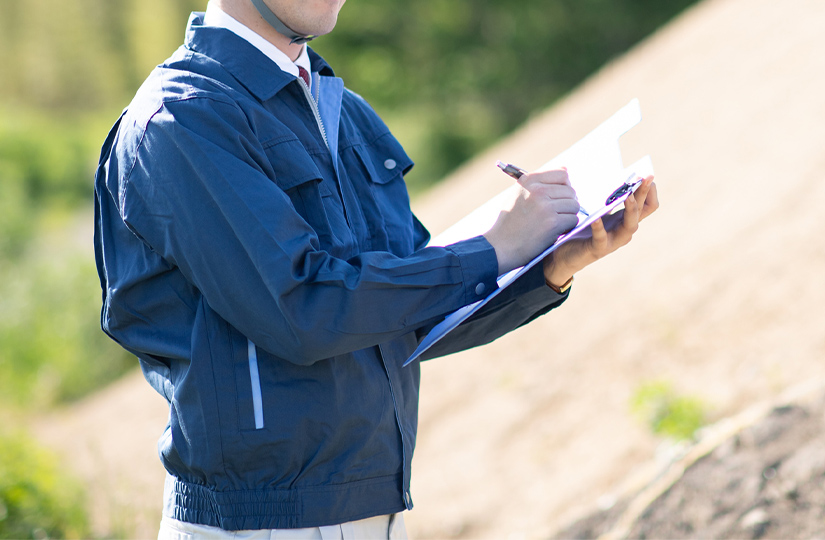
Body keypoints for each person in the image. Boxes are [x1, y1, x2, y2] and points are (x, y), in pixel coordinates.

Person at [93, 0, 659, 538]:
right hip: (258, 524)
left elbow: (405, 316)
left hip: (376, 512)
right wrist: (492, 248)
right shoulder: (183, 118)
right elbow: (303, 310)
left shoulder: (343, 110)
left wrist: (550, 264)